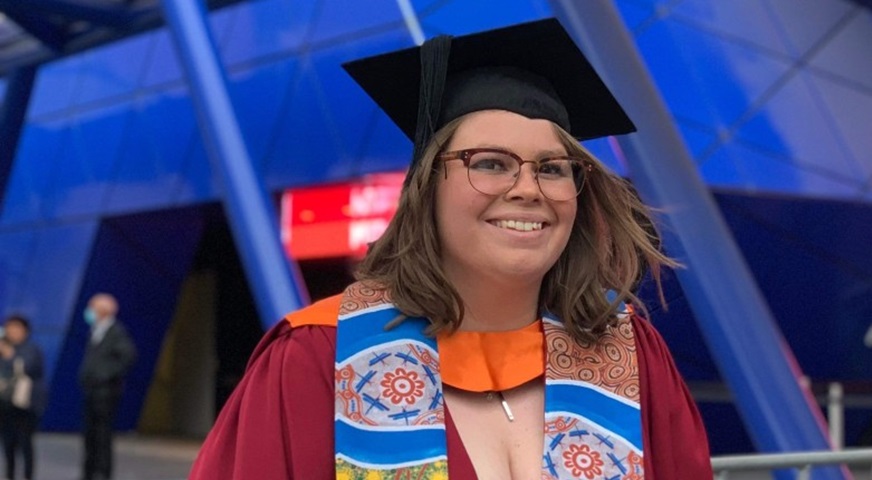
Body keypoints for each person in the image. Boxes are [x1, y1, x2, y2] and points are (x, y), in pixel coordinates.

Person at [190, 18, 712, 479]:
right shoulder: (316, 357)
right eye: (490, 162)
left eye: (552, 168)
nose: (528, 188)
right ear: (427, 186)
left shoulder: (627, 355)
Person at [79, 293, 137, 480]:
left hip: (106, 393)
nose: (89, 311)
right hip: (91, 391)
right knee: (90, 435)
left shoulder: (116, 332)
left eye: (93, 307)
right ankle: (88, 472)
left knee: (103, 435)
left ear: (104, 310)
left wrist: (105, 375)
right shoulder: (95, 330)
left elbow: (128, 357)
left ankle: (102, 473)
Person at [0, 315, 47, 480]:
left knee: (25, 444)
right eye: (9, 327)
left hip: (26, 406)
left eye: (16, 327)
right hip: (6, 405)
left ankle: (28, 476)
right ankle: (9, 475)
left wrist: (9, 355)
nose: (12, 331)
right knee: (8, 444)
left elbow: (27, 368)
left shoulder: (31, 349)